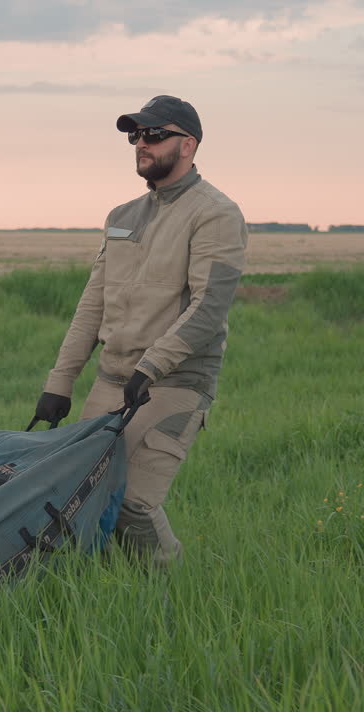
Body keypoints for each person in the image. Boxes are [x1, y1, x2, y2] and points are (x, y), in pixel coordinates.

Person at [34, 95, 248, 568]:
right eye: (136, 136)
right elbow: (93, 303)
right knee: (88, 496)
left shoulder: (215, 214)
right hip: (113, 381)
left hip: (175, 383)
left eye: (154, 134)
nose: (141, 144)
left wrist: (151, 365)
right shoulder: (122, 216)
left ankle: (170, 591)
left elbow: (209, 307)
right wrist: (60, 381)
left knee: (133, 503)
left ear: (187, 144)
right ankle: (115, 591)